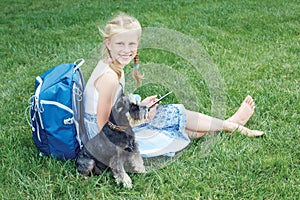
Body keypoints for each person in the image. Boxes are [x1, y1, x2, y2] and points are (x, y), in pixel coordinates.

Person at [83, 13, 264, 158]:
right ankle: (231, 125)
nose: (126, 49)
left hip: (112, 129)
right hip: (104, 141)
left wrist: (140, 108)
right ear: (109, 44)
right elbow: (104, 127)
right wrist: (141, 118)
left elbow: (117, 110)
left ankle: (227, 125)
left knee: (172, 119)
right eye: (120, 43)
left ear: (138, 44)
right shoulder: (109, 77)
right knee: (173, 118)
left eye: (131, 43)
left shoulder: (113, 66)